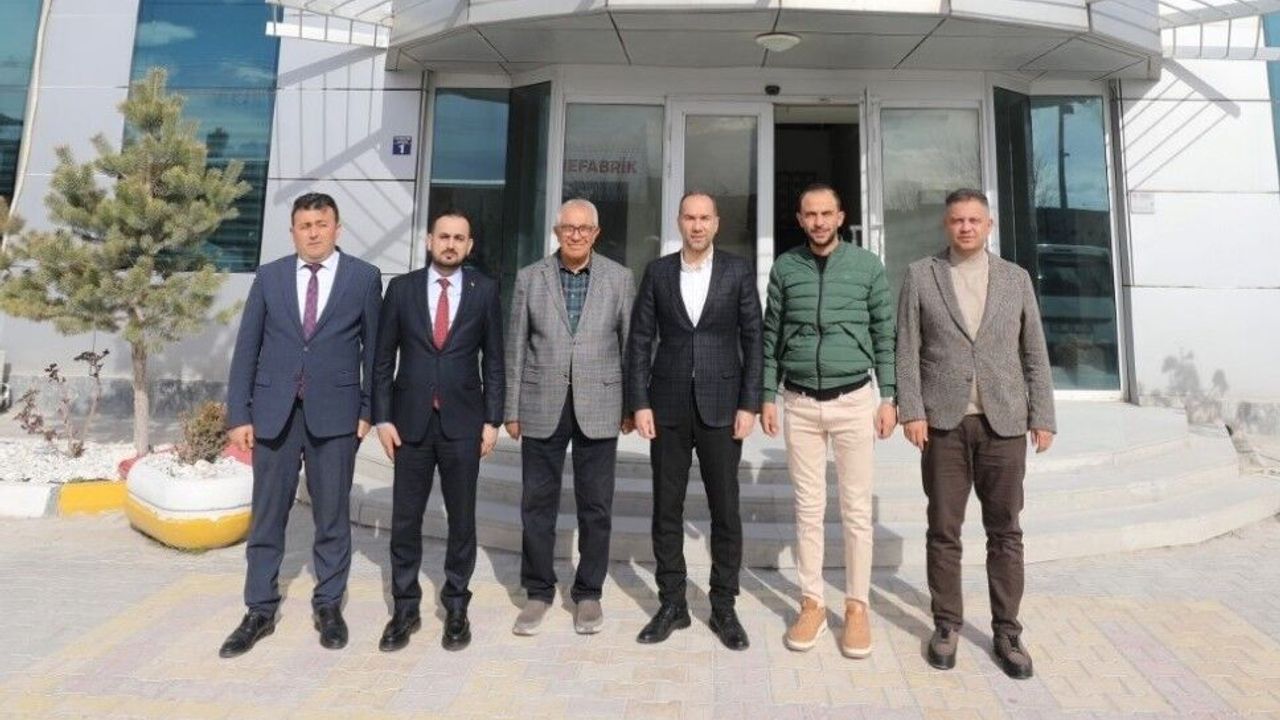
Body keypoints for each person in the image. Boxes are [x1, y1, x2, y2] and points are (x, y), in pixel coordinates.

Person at [895, 188, 1055, 679]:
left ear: (989, 225)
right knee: (943, 530)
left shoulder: (1015, 278)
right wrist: (911, 410)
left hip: (1003, 424)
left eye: (974, 220)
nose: (965, 227)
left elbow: (1034, 351)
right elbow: (906, 348)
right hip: (943, 424)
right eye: (957, 220)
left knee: (1005, 531)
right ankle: (946, 625)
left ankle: (1007, 631)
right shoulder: (921, 275)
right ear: (946, 224)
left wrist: (1043, 415)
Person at [221, 192, 382, 658]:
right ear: (293, 232)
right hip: (274, 414)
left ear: (337, 228)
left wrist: (367, 411)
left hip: (337, 416)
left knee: (332, 516)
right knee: (267, 516)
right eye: (305, 225)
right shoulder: (270, 277)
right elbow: (247, 348)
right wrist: (239, 414)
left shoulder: (363, 278)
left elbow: (374, 354)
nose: (313, 233)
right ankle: (259, 610)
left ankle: (329, 605)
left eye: (321, 224)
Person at [760, 183, 897, 659]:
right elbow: (771, 335)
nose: (818, 222)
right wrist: (767, 395)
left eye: (826, 214)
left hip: (854, 399)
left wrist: (889, 396)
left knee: (856, 510)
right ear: (800, 219)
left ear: (840, 217)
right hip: (799, 403)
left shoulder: (867, 267)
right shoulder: (785, 268)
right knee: (808, 508)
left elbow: (884, 333)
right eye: (810, 214)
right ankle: (813, 603)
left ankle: (857, 607)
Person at [625, 191, 762, 650]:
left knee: (725, 510)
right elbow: (640, 339)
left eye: (705, 218)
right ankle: (672, 604)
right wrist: (639, 402)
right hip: (666, 407)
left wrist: (749, 404)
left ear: (717, 223)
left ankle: (723, 606)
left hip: (723, 406)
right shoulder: (658, 272)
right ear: (679, 221)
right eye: (690, 217)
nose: (697, 225)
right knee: (667, 507)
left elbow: (754, 339)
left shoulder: (738, 271)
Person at [371, 209, 504, 652]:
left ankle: (457, 606)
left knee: (462, 520)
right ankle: (404, 608)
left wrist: (492, 420)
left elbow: (495, 360)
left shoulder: (485, 290)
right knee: (405, 520)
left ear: (469, 245)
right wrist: (383, 418)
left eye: (459, 238)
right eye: (443, 236)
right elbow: (382, 359)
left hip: (464, 424)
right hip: (409, 424)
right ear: (429, 241)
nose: (450, 244)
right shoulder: (402, 289)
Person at [505, 199, 635, 636]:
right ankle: (538, 591)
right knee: (536, 503)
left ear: (596, 233)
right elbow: (515, 345)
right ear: (557, 231)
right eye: (568, 228)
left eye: (584, 228)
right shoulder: (530, 277)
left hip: (600, 403)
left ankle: (589, 592)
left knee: (596, 505)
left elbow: (631, 344)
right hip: (541, 402)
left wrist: (631, 405)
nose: (576, 235)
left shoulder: (619, 278)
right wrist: (511, 409)